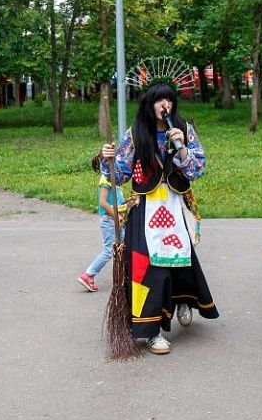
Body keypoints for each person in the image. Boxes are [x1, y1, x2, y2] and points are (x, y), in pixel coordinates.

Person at [100, 82, 216, 355]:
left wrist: (182, 148)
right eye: (159, 100)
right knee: (147, 268)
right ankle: (152, 331)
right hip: (144, 208)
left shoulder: (185, 130)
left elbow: (197, 170)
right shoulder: (135, 133)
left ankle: (182, 300)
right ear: (149, 104)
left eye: (169, 100)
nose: (165, 106)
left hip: (175, 206)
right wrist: (108, 159)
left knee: (180, 260)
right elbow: (120, 174)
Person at [77, 153, 125, 292]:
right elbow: (103, 203)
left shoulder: (115, 179)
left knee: (124, 248)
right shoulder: (105, 179)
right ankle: (88, 275)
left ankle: (124, 277)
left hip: (117, 220)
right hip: (110, 221)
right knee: (109, 251)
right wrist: (117, 216)